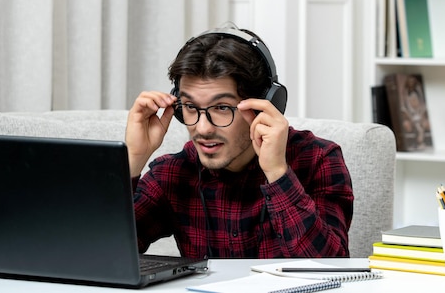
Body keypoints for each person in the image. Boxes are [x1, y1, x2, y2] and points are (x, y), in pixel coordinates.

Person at [125, 23, 353, 259]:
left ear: (265, 104)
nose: (202, 128)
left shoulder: (318, 160)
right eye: (191, 107)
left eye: (222, 107)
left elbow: (330, 266)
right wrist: (132, 159)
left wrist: (277, 173)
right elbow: (100, 252)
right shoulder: (173, 174)